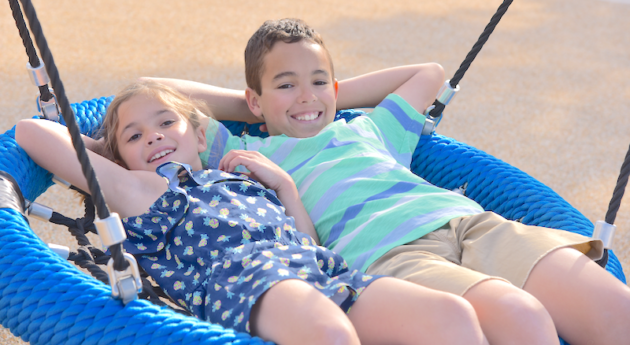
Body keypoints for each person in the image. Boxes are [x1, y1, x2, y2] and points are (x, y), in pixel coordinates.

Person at [147, 18, 630, 345]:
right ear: (255, 100)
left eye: (317, 80)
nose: (304, 96)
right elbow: (162, 93)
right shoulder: (249, 155)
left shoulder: (370, 129)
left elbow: (428, 73)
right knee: (523, 319)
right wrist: (254, 102)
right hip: (391, 256)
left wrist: (324, 96)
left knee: (616, 311)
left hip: (472, 225)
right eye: (285, 84)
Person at [15, 80, 488, 345]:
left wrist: (285, 188)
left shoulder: (242, 177)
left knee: (450, 316)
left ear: (200, 137)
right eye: (135, 136)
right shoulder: (139, 189)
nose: (154, 137)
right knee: (330, 335)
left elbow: (306, 243)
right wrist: (107, 153)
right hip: (242, 283)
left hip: (318, 269)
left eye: (165, 124)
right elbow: (31, 132)